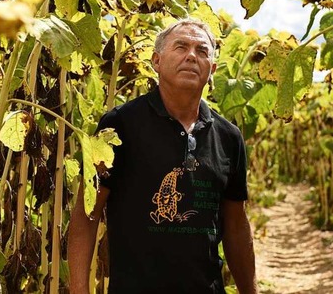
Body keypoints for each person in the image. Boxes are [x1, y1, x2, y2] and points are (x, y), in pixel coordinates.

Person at [68, 18, 256, 294]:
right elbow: (87, 214)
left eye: (202, 51)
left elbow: (236, 226)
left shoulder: (228, 137)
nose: (192, 56)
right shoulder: (120, 125)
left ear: (212, 69)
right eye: (181, 47)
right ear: (156, 61)